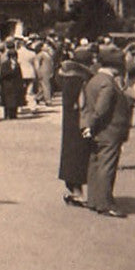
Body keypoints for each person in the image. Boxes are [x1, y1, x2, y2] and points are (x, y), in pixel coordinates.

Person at [81, 46, 134, 219]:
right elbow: (101, 110)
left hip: (98, 130)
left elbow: (88, 107)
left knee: (95, 164)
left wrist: (88, 126)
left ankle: (94, 200)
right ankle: (105, 204)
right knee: (107, 166)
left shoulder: (95, 80)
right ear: (116, 66)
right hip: (109, 130)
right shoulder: (108, 84)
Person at [56, 46, 96, 206]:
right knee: (79, 155)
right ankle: (78, 192)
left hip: (69, 120)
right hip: (79, 119)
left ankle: (73, 190)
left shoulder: (65, 76)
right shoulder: (81, 79)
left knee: (69, 153)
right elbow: (82, 102)